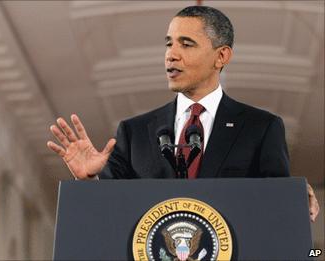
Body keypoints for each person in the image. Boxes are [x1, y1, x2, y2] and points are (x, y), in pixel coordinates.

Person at [47, 6, 319, 221]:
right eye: (169, 44)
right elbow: (108, 214)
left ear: (221, 56)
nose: (171, 55)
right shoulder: (133, 133)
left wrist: (293, 198)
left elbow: (275, 209)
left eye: (186, 44)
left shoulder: (262, 128)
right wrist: (88, 180)